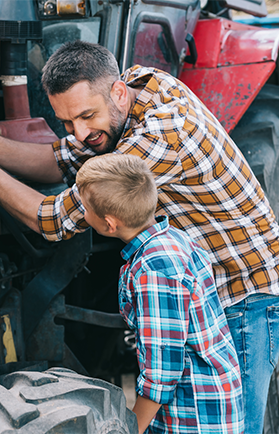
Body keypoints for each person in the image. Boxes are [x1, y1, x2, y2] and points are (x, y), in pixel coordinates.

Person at [0, 40, 279, 433]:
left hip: (244, 295)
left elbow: (53, 219)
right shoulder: (133, 91)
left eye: (86, 117)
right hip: (204, 291)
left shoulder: (159, 138)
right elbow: (58, 160)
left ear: (117, 92)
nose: (79, 133)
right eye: (67, 123)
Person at [76, 153, 243, 433]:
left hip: (195, 415)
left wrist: (135, 428)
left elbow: (162, 371)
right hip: (206, 400)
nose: (82, 214)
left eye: (85, 209)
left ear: (110, 224)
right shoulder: (172, 238)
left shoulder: (154, 269)